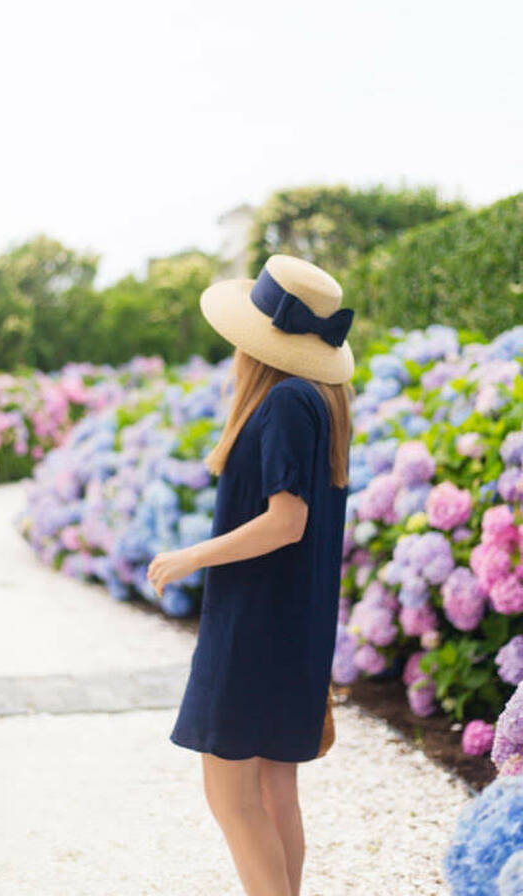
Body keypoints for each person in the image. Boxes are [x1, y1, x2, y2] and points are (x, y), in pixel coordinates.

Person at [146, 254, 355, 896]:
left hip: (257, 625)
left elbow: (285, 521)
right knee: (272, 788)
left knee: (231, 792)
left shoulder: (288, 400)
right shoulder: (317, 398)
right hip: (290, 621)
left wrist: (189, 556)